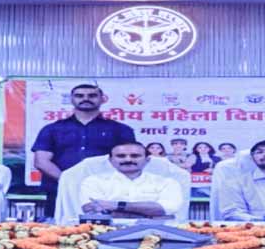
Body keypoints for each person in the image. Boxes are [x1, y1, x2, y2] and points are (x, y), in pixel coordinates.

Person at [32, 84, 136, 220]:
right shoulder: (52, 129)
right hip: (61, 190)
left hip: (106, 192)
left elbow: (128, 160)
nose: (85, 99)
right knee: (60, 229)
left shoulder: (120, 129)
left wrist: (96, 184)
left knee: (108, 229)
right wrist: (68, 181)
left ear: (102, 99)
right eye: (79, 96)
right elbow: (41, 161)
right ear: (71, 99)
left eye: (92, 96)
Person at [77, 142, 185, 223]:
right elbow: (93, 210)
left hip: (158, 234)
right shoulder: (93, 181)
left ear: (147, 160)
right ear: (110, 160)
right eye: (121, 156)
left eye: (135, 156)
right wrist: (149, 214)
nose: (128, 160)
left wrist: (116, 206)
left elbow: (168, 209)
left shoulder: (167, 183)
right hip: (107, 233)